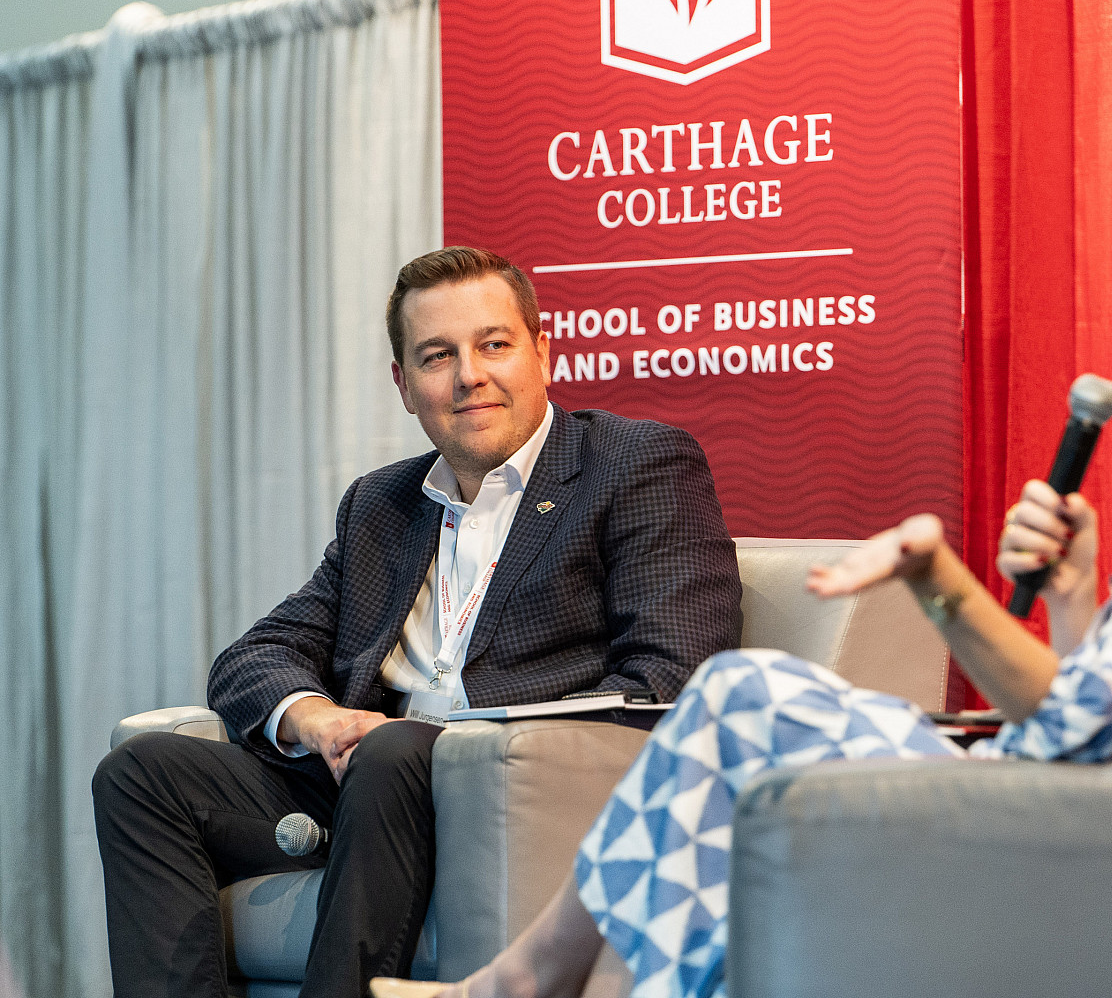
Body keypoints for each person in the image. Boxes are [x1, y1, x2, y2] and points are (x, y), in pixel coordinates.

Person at [371, 183, 1112, 998]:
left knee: (735, 704)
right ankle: (540, 982)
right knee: (735, 725)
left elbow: (1093, 732)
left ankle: (522, 980)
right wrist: (1077, 595)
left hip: (1102, 836)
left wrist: (941, 581)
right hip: (1079, 794)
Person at [91, 247, 744, 998]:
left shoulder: (633, 465)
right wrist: (318, 722)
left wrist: (466, 746)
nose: (470, 375)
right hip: (366, 782)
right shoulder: (383, 504)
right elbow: (258, 653)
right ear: (405, 386)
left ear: (543, 352)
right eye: (437, 356)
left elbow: (671, 679)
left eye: (494, 344)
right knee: (144, 773)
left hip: (517, 785)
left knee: (399, 748)